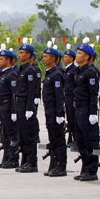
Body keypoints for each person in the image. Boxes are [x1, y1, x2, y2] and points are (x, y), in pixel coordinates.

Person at [72, 38, 100, 182]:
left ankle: (92, 169)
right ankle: (85, 167)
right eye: (77, 52)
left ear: (87, 56)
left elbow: (93, 94)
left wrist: (92, 113)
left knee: (91, 140)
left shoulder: (90, 72)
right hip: (78, 108)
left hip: (86, 109)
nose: (77, 55)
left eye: (80, 53)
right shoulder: (78, 71)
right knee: (81, 140)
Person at [41, 43, 67, 177]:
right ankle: (54, 163)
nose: (43, 59)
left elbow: (59, 96)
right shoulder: (50, 73)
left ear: (54, 58)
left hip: (54, 110)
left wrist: (59, 114)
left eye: (46, 57)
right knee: (53, 138)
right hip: (49, 110)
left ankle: (61, 166)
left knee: (58, 138)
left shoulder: (57, 74)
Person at [15, 38, 39, 173]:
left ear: (29, 55)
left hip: (26, 104)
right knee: (22, 135)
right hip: (19, 103)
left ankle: (32, 162)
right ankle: (25, 161)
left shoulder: (30, 70)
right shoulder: (21, 69)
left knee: (29, 135)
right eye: (20, 52)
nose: (20, 55)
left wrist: (30, 108)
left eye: (23, 53)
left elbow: (32, 91)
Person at [0, 48, 19, 169]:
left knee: (11, 133)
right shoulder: (1, 74)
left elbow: (14, 95)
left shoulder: (12, 75)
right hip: (1, 105)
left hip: (8, 106)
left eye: (2, 59)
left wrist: (14, 111)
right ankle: (6, 156)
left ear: (9, 60)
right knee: (4, 133)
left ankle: (13, 158)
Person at [63, 45, 78, 151]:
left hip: (72, 97)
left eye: (67, 57)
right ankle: (70, 137)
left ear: (72, 58)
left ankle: (75, 139)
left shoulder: (74, 70)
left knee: (73, 118)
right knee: (69, 118)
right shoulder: (67, 70)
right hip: (66, 97)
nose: (65, 59)